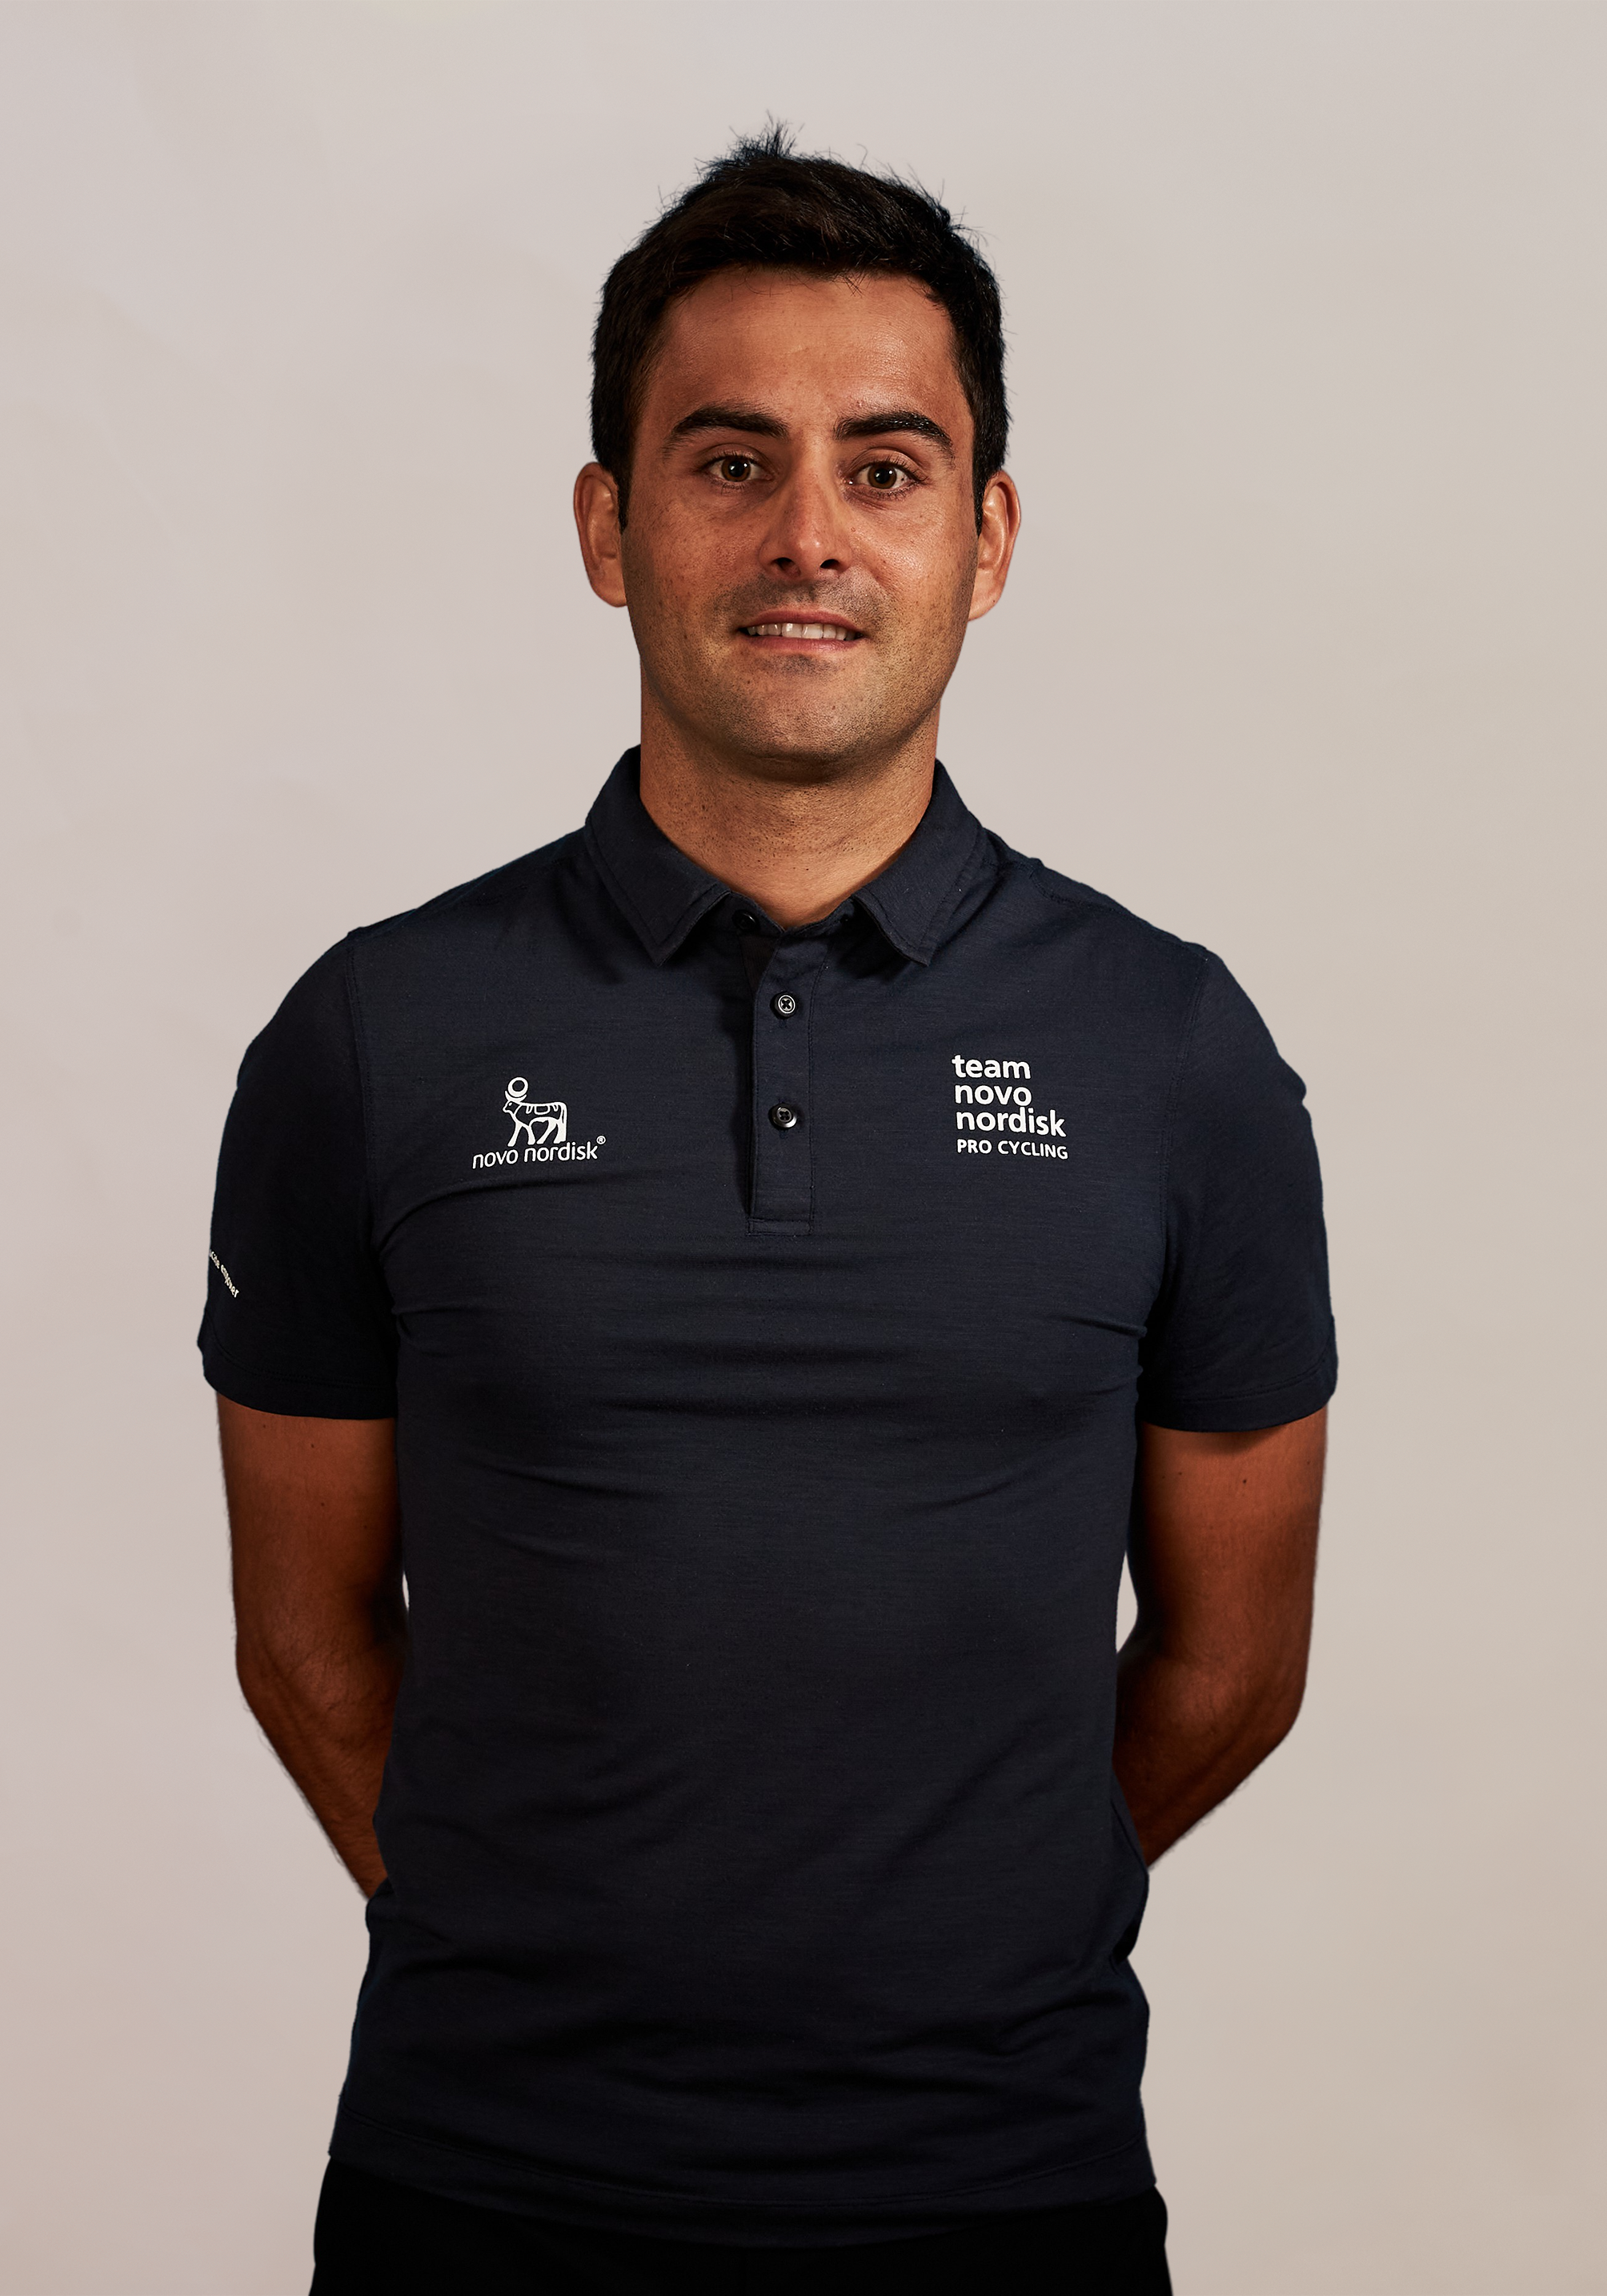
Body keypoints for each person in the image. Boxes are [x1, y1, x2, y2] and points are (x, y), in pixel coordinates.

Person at [202, 130, 1334, 2296]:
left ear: (987, 538)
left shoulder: (1176, 1053)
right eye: (729, 463)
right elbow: (305, 1638)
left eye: (885, 468)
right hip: (481, 2193)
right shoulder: (373, 1038)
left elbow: (1233, 1665)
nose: (808, 533)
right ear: (605, 528)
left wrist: (956, 1943)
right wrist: (548, 1951)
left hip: (1008, 2198)